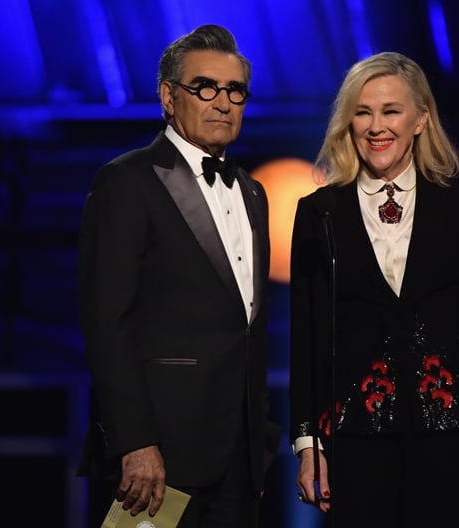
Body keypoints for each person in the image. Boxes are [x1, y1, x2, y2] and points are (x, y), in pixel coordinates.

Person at [288, 51, 459, 527]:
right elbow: (307, 337)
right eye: (363, 112)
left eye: (390, 111)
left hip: (448, 429)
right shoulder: (319, 212)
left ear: (420, 120)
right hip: (355, 436)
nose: (376, 126)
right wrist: (308, 445)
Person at [76, 24, 279, 528]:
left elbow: (245, 326)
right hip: (157, 460)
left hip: (240, 457)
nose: (223, 102)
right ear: (169, 97)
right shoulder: (127, 181)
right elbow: (108, 322)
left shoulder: (253, 192)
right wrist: (135, 441)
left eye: (235, 91)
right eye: (205, 87)